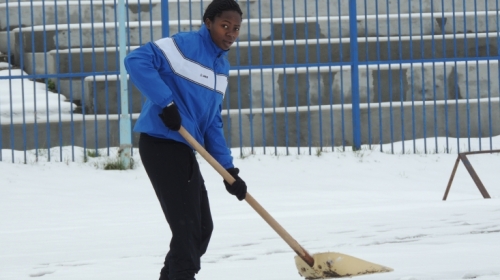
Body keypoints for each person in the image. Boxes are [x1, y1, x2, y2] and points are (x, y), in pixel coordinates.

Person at [124, 1, 247, 279]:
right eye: (224, 25)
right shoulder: (183, 45)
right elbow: (136, 59)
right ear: (208, 22)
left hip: (182, 149)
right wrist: (166, 103)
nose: (230, 33)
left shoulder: (221, 69)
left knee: (202, 229)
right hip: (162, 144)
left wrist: (229, 171)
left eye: (236, 28)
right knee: (188, 230)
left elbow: (212, 123)